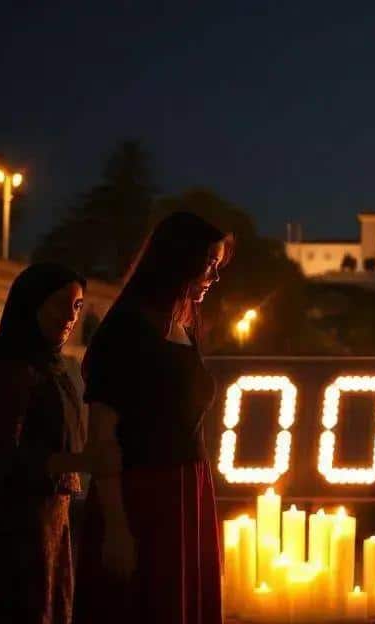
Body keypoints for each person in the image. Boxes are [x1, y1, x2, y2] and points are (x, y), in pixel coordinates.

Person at [73, 212, 232, 624]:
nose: (214, 276)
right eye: (209, 263)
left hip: (188, 489)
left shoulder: (185, 328)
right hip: (141, 494)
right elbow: (103, 438)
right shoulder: (125, 330)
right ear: (181, 259)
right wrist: (116, 526)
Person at [0, 263, 89, 623]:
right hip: (12, 529)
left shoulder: (54, 365)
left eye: (78, 306)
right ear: (34, 303)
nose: (70, 316)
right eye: (62, 303)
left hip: (51, 521)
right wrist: (76, 463)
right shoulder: (7, 362)